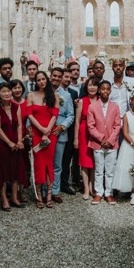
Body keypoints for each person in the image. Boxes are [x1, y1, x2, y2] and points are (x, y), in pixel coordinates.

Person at [25, 71, 59, 208]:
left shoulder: (54, 96)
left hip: (50, 134)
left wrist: (48, 130)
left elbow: (54, 115)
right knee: (38, 164)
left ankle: (49, 195)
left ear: (47, 79)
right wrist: (41, 129)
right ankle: (39, 196)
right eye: (38, 80)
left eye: (43, 79)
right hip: (37, 133)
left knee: (49, 164)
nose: (41, 82)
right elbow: (29, 115)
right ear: (36, 82)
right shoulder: (31, 95)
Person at [0, 82, 25, 211]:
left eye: (8, 91)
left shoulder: (17, 107)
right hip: (3, 143)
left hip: (15, 143)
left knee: (16, 170)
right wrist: (9, 143)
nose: (6, 94)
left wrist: (19, 141)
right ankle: (4, 199)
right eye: (3, 91)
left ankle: (15, 197)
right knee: (3, 171)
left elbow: (19, 125)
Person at [87, 81, 121, 205]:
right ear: (99, 90)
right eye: (103, 89)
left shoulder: (115, 106)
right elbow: (91, 126)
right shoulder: (93, 107)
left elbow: (117, 125)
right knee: (99, 170)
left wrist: (110, 140)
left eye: (108, 89)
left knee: (110, 170)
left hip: (111, 144)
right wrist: (101, 139)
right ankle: (99, 193)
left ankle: (109, 193)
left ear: (110, 91)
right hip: (98, 143)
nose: (105, 91)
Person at [49, 67, 75, 204]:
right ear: (50, 76)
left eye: (59, 76)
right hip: (45, 132)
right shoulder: (42, 93)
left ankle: (54, 191)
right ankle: (43, 190)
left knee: (57, 164)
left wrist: (62, 126)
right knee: (45, 162)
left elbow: (71, 115)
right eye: (55, 76)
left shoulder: (66, 95)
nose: (57, 78)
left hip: (60, 133)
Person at [75, 77, 99, 200]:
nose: (92, 87)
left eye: (95, 85)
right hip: (83, 132)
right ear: (86, 87)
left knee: (95, 161)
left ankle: (92, 186)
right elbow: (77, 121)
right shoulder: (82, 101)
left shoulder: (101, 100)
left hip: (96, 133)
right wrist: (75, 138)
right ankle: (85, 188)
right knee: (84, 162)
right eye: (90, 85)